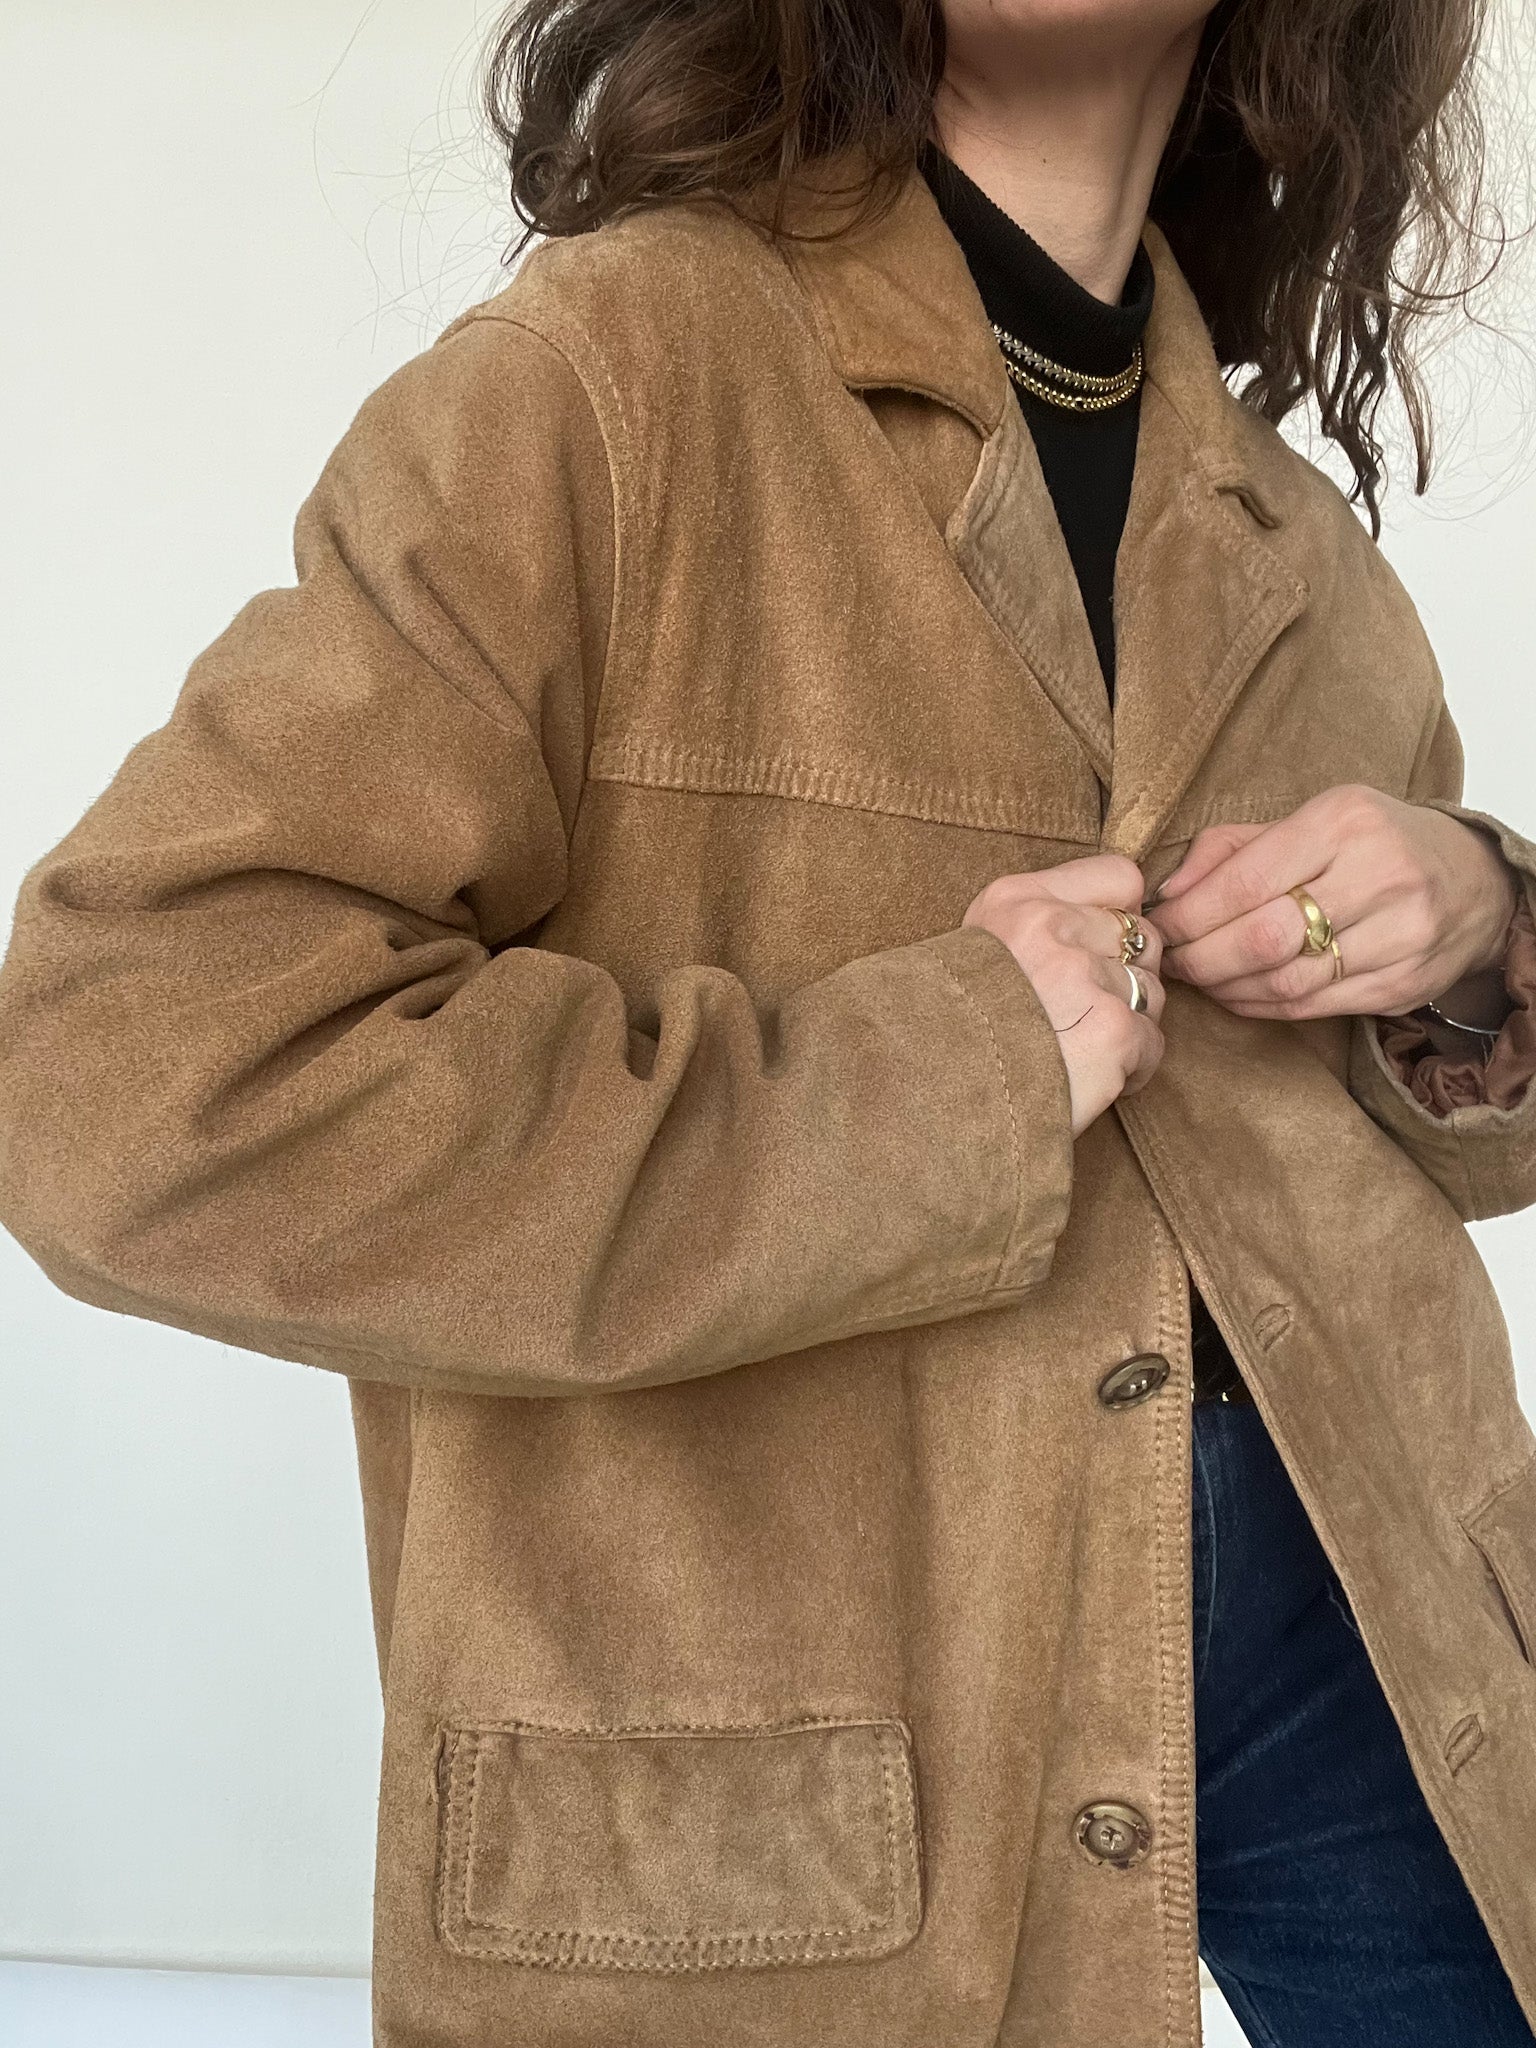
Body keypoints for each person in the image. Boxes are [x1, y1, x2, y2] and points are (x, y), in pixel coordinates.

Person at [1, 0, 1534, 2043]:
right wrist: (934, 1087)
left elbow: (1415, 1141)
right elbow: (121, 1072)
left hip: (1378, 1607)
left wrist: (1483, 928)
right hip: (826, 1692)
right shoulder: (605, 382)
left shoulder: (1299, 550)